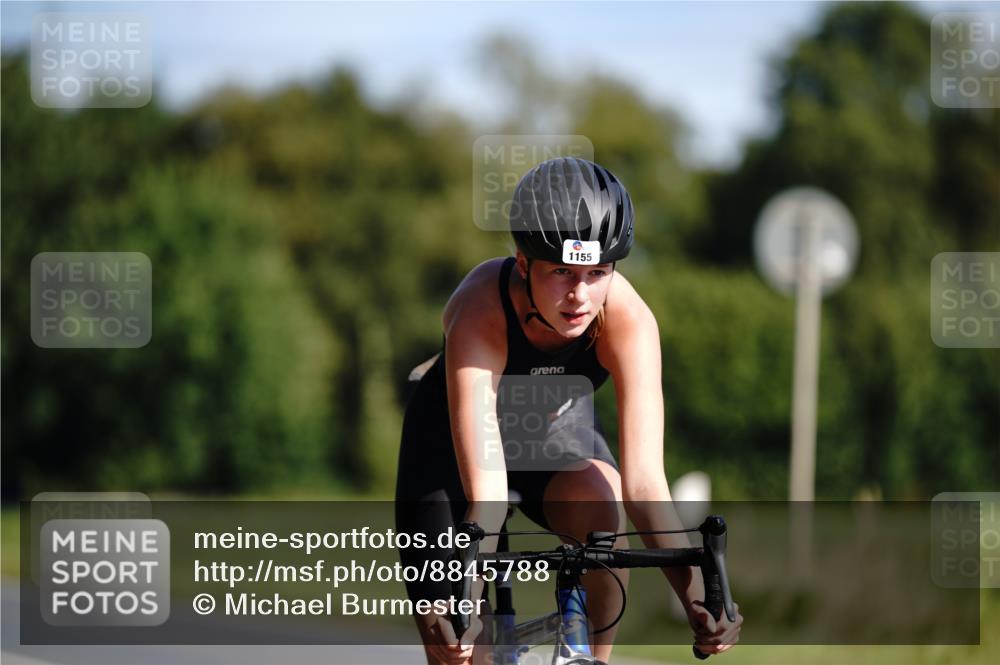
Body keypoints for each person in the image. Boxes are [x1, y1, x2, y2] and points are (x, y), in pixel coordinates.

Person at [395, 157, 742, 665]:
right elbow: (487, 496)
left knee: (603, 511)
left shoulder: (628, 320)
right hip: (450, 451)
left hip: (551, 434)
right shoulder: (480, 310)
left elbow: (645, 484)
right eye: (560, 271)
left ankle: (592, 659)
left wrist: (698, 600)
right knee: (459, 643)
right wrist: (463, 598)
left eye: (597, 273)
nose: (579, 295)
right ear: (522, 263)